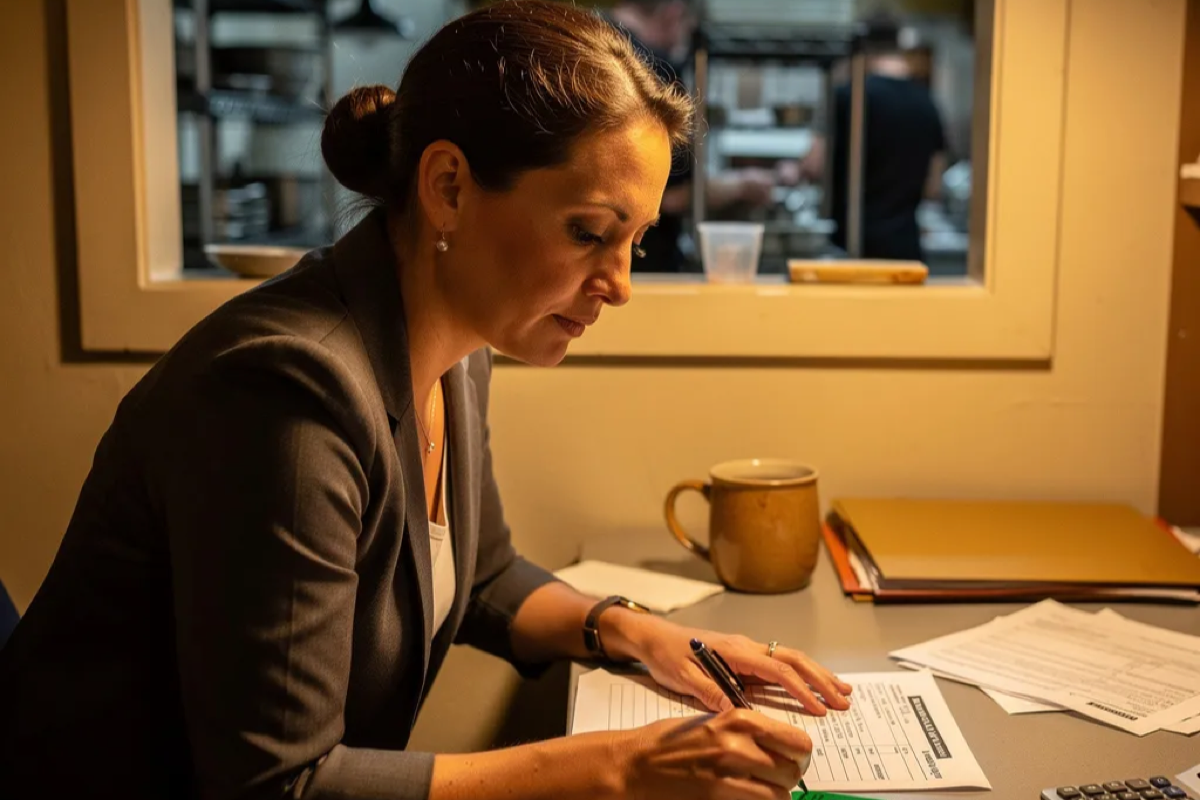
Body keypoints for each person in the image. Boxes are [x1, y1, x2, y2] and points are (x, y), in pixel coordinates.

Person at [0, 2, 851, 799]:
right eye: (589, 233)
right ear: (448, 186)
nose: (619, 285)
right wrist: (621, 767)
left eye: (636, 240)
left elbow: (481, 578)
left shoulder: (453, 344)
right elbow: (278, 786)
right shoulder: (286, 395)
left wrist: (641, 633)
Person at [606, 0, 781, 272]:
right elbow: (667, 195)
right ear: (674, 13)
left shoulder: (591, 46)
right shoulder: (655, 69)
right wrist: (741, 186)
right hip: (642, 258)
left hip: (594, 250)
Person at [796, 14, 947, 261]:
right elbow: (933, 187)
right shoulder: (927, 102)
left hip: (854, 250)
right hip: (906, 253)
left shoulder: (848, 96)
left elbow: (814, 166)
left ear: (860, 50)